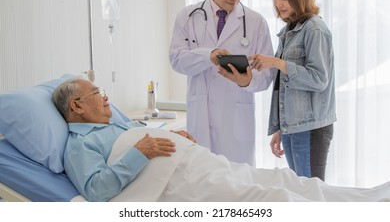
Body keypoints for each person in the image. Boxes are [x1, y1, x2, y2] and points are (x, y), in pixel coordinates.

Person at [53, 78, 390, 202]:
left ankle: (376, 198)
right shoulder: (79, 144)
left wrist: (162, 137)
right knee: (269, 197)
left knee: (282, 179)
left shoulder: (115, 126)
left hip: (194, 163)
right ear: (77, 105)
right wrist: (142, 150)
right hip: (175, 185)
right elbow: (97, 190)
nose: (107, 98)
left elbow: (140, 142)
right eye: (98, 92)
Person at [169, 0, 274, 166]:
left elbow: (267, 73)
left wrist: (247, 80)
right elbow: (176, 59)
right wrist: (208, 56)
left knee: (238, 185)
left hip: (236, 121)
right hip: (201, 117)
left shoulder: (256, 22)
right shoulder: (188, 16)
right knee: (202, 182)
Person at [249, 0, 336, 181]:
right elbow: (285, 87)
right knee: (300, 191)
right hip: (293, 127)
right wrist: (281, 128)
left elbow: (319, 79)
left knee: (311, 195)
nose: (279, 4)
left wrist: (277, 62)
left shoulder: (314, 29)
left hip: (311, 127)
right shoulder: (290, 30)